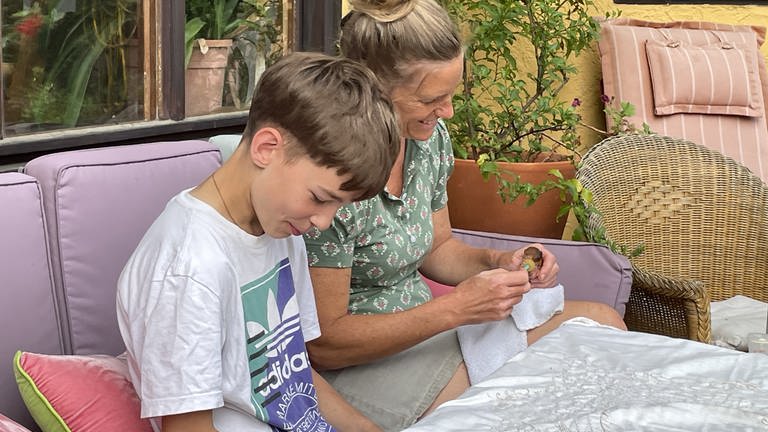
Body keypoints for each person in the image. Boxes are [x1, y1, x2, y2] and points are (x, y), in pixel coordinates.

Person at [302, 1, 628, 430]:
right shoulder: (332, 173)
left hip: (431, 334)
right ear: (373, 86)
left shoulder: (427, 139)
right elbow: (324, 345)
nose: (448, 111)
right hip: (360, 365)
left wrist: (499, 263)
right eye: (431, 98)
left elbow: (438, 248)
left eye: (451, 94)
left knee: (602, 324)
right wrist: (456, 310)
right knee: (521, 405)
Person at [116, 51, 401, 432]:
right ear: (267, 148)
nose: (323, 221)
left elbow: (292, 371)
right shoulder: (189, 269)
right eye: (320, 197)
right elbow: (187, 427)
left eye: (339, 206)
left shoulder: (281, 227)